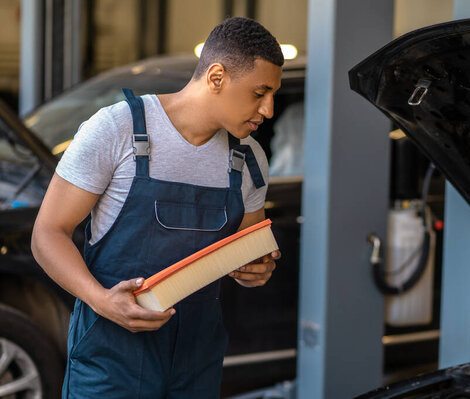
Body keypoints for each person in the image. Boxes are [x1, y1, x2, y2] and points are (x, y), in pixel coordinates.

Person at [31, 17, 283, 398]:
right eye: (259, 92)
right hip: (111, 355)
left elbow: (248, 250)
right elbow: (47, 235)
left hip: (197, 359)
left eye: (273, 95)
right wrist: (102, 301)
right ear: (216, 77)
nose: (268, 109)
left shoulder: (249, 160)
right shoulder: (117, 130)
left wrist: (255, 268)